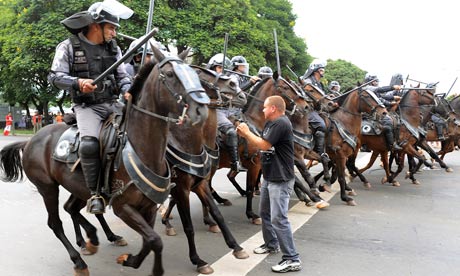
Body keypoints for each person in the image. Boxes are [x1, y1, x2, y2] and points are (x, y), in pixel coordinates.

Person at [47, 1, 133, 214]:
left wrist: (128, 89)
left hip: (113, 104)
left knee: (140, 132)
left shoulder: (115, 48)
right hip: (87, 108)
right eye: (111, 27)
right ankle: (95, 195)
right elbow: (55, 77)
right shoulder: (68, 46)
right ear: (96, 25)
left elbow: (122, 76)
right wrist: (78, 83)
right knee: (89, 144)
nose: (114, 32)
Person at [237, 95, 302, 273]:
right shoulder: (270, 123)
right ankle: (271, 244)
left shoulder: (281, 123)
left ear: (273, 108)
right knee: (264, 213)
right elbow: (262, 144)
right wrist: (248, 134)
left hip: (281, 178)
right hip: (270, 176)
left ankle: (292, 258)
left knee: (278, 218)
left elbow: (264, 145)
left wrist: (247, 133)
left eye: (265, 107)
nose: (263, 110)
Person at [206, 53, 247, 172]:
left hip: (227, 111)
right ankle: (234, 163)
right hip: (213, 111)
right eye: (219, 68)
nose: (221, 71)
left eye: (223, 69)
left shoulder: (224, 81)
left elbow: (239, 96)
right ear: (212, 67)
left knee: (244, 127)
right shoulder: (206, 79)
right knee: (231, 132)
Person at [301, 59, 331, 164]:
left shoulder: (319, 84)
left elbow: (322, 96)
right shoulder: (307, 82)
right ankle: (318, 153)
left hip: (318, 109)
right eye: (321, 69)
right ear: (315, 71)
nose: (323, 71)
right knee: (321, 125)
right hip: (308, 109)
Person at [363, 73, 402, 151]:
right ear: (370, 81)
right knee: (388, 123)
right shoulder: (368, 88)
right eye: (375, 81)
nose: (377, 83)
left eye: (377, 81)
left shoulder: (373, 90)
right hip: (367, 114)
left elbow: (382, 98)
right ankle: (391, 145)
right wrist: (392, 87)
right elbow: (381, 89)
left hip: (373, 112)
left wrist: (393, 100)